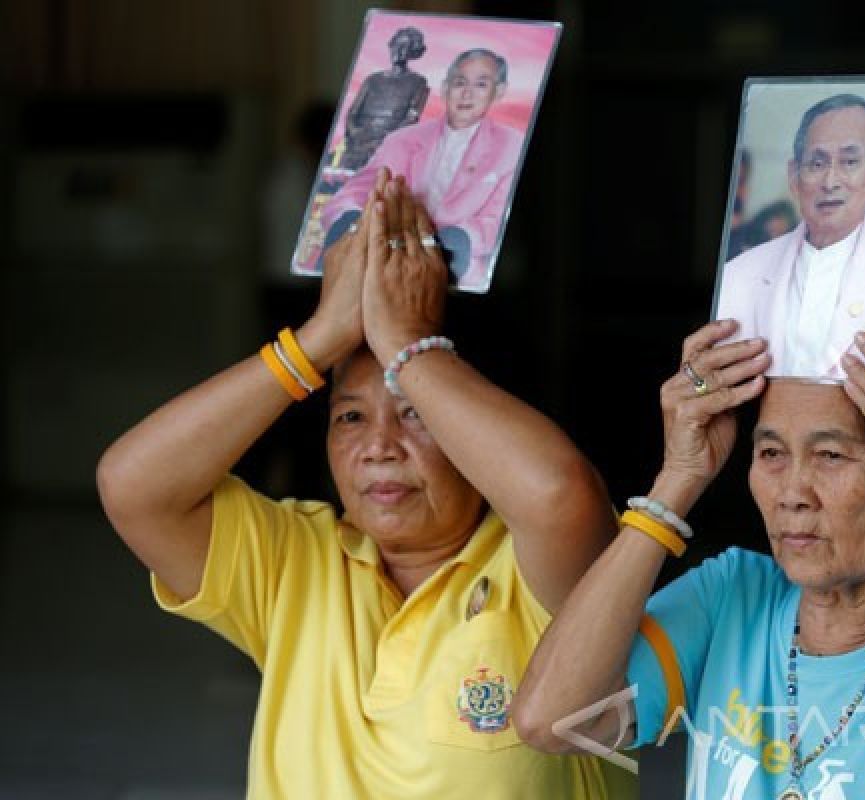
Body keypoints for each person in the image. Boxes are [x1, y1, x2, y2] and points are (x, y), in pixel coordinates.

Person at [97, 170, 637, 799]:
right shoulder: (296, 563)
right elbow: (132, 486)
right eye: (350, 417)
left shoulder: (536, 571)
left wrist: (408, 344)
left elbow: (558, 494)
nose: (379, 447)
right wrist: (319, 340)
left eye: (416, 414)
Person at [514, 316, 865, 799]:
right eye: (772, 452)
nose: (792, 492)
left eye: (830, 454)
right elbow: (550, 720)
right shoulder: (733, 596)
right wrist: (677, 479)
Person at [715, 94, 865, 380]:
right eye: (816, 164)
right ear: (794, 175)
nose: (830, 182)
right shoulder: (738, 274)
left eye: (850, 162)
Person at [322, 48, 523, 290]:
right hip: (385, 269)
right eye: (459, 82)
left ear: (498, 92)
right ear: (445, 87)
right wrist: (349, 217)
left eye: (481, 84)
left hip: (459, 277)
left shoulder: (511, 146)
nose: (466, 93)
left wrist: (460, 239)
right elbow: (355, 192)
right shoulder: (402, 139)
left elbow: (495, 218)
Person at [340, 26, 431, 171]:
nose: (399, 51)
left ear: (413, 51)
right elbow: (353, 112)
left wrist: (384, 139)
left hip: (386, 145)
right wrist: (356, 132)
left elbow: (411, 118)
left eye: (405, 47)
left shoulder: (418, 82)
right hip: (359, 143)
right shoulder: (372, 80)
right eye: (397, 45)